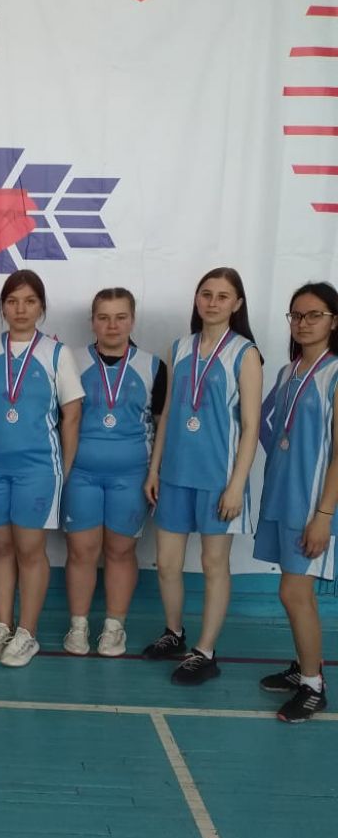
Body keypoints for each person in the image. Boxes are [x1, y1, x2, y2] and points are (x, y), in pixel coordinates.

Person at [144, 267, 262, 684]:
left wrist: (236, 485)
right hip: (175, 475)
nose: (213, 302)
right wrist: (155, 469)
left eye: (222, 296)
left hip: (218, 478)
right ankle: (174, 633)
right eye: (206, 294)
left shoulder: (245, 354)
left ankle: (205, 651)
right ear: (197, 299)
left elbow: (251, 426)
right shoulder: (179, 348)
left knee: (214, 565)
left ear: (237, 304)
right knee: (166, 563)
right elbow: (166, 414)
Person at [0, 270, 83, 667]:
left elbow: (72, 416)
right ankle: (3, 626)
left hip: (38, 468)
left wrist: (62, 470)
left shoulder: (57, 353)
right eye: (12, 301)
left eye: (29, 301)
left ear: (42, 307)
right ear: (2, 307)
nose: (20, 309)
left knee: (29, 550)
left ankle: (27, 632)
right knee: (0, 548)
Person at [62, 288, 165, 657]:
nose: (112, 325)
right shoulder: (71, 361)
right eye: (103, 317)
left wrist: (154, 472)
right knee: (81, 551)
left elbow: (162, 426)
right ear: (92, 321)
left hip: (131, 477)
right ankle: (78, 626)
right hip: (81, 474)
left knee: (121, 551)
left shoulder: (153, 366)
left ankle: (114, 627)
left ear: (132, 320)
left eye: (121, 317)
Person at [255, 281, 338, 722]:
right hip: (284, 496)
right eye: (297, 315)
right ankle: (305, 666)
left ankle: (313, 686)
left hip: (313, 505)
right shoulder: (289, 372)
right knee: (293, 590)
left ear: (334, 321)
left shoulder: (335, 374)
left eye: (314, 315)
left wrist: (324, 515)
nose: (304, 323)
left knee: (294, 592)